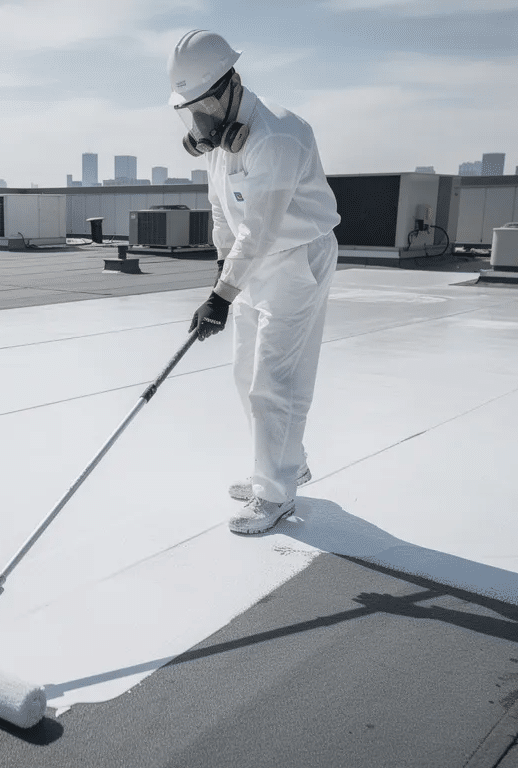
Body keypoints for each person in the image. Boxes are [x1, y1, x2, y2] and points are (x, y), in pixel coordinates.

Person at [170, 30, 341, 535]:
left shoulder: (276, 135)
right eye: (190, 111)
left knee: (275, 380)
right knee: (245, 373)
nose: (199, 121)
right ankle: (284, 464)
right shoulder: (219, 141)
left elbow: (261, 227)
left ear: (231, 85)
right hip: (253, 262)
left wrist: (222, 296)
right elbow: (222, 212)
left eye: (204, 106)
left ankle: (275, 493)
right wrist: (221, 273)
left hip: (296, 258)